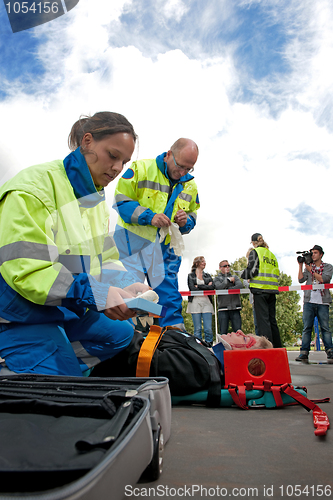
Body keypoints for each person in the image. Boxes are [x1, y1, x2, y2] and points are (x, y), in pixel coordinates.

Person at [0, 112, 151, 376]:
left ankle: (55, 362)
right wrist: (95, 294)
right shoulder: (32, 189)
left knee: (121, 335)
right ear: (88, 142)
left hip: (65, 306)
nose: (117, 168)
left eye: (124, 162)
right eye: (113, 155)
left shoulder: (95, 202)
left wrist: (126, 286)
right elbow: (28, 272)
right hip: (18, 314)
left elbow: (104, 261)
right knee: (65, 391)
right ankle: (20, 369)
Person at [113, 138, 199, 330]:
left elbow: (193, 215)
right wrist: (149, 217)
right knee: (128, 294)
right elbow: (121, 201)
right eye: (180, 166)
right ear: (169, 154)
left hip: (165, 249)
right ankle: (125, 341)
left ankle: (176, 343)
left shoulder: (190, 185)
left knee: (169, 296)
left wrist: (186, 222)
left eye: (189, 168)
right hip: (131, 244)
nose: (183, 172)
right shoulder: (141, 168)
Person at [241, 233, 282, 347]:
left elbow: (252, 271)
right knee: (272, 321)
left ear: (253, 243)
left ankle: (267, 349)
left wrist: (243, 274)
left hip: (260, 290)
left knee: (263, 323)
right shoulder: (271, 254)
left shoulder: (255, 252)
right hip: (272, 290)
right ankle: (277, 348)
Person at [295, 245, 333, 363]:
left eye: (315, 253)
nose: (313, 255)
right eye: (312, 253)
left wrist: (312, 271)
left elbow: (325, 279)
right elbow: (301, 280)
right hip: (309, 301)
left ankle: (330, 351)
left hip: (323, 301)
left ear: (321, 254)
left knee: (325, 328)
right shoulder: (308, 268)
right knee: (307, 328)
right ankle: (304, 353)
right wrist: (301, 266)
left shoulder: (328, 267)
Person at [186, 256, 214, 346]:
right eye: (202, 261)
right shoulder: (191, 276)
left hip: (206, 302)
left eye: (205, 261)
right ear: (197, 263)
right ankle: (198, 346)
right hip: (195, 302)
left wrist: (200, 286)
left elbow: (212, 287)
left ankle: (209, 345)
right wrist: (206, 287)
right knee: (197, 329)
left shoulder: (208, 275)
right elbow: (192, 289)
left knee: (208, 329)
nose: (204, 263)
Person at [213, 260, 242, 334]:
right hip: (223, 308)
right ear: (220, 268)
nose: (227, 267)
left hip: (235, 307)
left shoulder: (235, 277)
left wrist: (227, 289)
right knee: (223, 333)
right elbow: (218, 287)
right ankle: (223, 346)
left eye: (228, 265)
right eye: (225, 266)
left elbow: (239, 286)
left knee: (238, 333)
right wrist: (228, 280)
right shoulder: (217, 279)